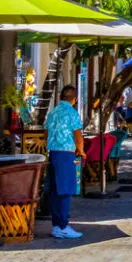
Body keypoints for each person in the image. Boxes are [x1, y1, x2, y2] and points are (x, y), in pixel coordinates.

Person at [45, 85, 85, 239]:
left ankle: (56, 225)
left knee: (55, 190)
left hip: (53, 153)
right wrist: (80, 151)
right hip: (66, 154)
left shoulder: (53, 112)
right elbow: (78, 135)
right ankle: (63, 225)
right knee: (66, 190)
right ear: (74, 98)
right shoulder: (72, 113)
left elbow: (46, 132)